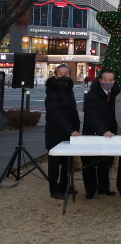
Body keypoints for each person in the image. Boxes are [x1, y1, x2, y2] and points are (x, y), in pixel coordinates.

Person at [81, 68, 121, 199]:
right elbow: (92, 116)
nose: (108, 82)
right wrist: (103, 130)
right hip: (92, 133)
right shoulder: (92, 95)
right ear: (100, 80)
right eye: (105, 80)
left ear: (114, 81)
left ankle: (104, 188)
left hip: (110, 134)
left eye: (111, 80)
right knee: (89, 163)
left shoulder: (117, 94)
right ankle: (90, 190)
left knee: (105, 162)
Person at [45, 64, 81, 199]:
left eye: (66, 73)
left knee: (67, 162)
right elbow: (55, 114)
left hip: (69, 132)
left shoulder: (67, 88)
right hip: (55, 132)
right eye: (61, 74)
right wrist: (71, 129)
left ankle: (65, 186)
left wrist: (75, 128)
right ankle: (54, 190)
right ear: (55, 75)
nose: (64, 75)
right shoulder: (53, 90)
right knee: (55, 163)